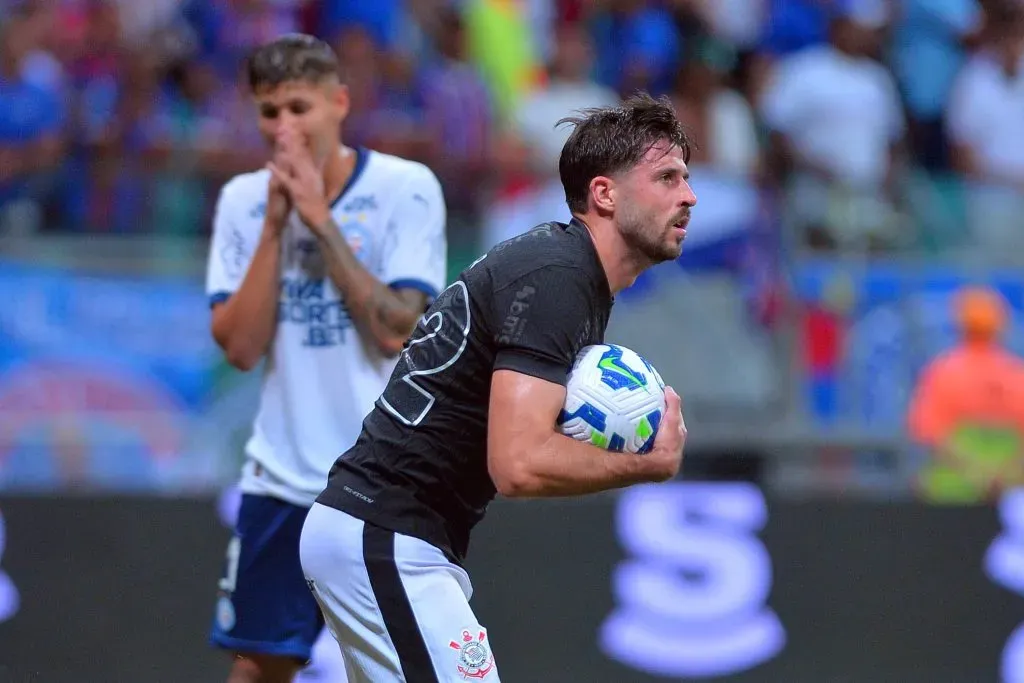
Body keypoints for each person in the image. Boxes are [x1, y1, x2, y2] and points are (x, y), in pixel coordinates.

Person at [299, 93, 694, 682]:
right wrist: (647, 465)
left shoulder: (564, 273)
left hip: (389, 535)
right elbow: (517, 463)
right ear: (604, 194)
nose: (688, 196)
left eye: (686, 179)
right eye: (666, 178)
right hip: (386, 532)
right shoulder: (558, 278)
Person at [204, 34, 448, 683]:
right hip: (282, 478)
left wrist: (320, 220)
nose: (283, 127)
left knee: (399, 666)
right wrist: (276, 225)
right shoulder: (244, 200)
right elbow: (240, 347)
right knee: (258, 664)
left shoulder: (405, 187)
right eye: (269, 111)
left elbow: (399, 329)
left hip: (383, 484)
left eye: (298, 107)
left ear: (339, 103)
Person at [907, 286, 1024, 504]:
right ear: (1001, 326)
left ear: (959, 324)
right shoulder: (1017, 374)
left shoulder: (942, 372)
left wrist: (976, 473)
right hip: (1011, 498)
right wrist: (1001, 476)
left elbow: (928, 434)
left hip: (951, 498)